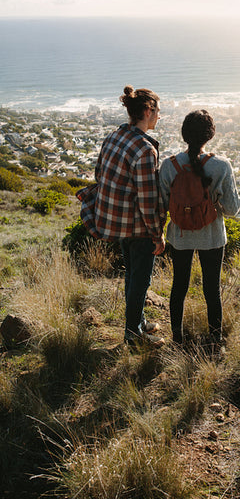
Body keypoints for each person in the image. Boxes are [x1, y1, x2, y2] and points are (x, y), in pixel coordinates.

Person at [78, 86, 166, 347]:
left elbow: (98, 174)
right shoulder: (144, 150)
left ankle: (137, 322)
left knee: (132, 275)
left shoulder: (115, 135)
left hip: (112, 220)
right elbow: (147, 200)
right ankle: (133, 335)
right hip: (136, 225)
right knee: (140, 279)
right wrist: (157, 234)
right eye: (158, 111)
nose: (159, 116)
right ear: (148, 111)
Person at [159, 109, 240, 345]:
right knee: (211, 289)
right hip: (212, 237)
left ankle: (177, 337)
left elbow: (162, 205)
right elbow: (232, 209)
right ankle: (215, 338)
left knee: (179, 286)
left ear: (185, 134)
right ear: (210, 135)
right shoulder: (221, 166)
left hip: (180, 235)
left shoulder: (169, 165)